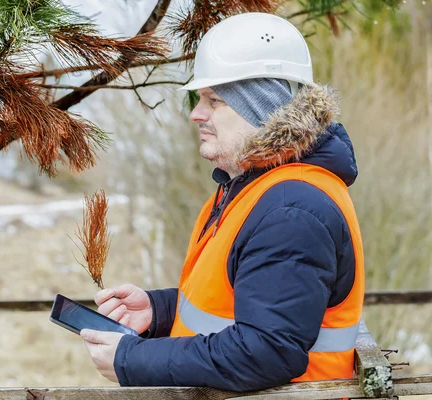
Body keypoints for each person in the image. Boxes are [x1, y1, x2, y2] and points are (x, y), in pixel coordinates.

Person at [80, 12, 365, 391]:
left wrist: (131, 359)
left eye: (214, 101)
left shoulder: (290, 210)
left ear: (261, 110)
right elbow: (241, 303)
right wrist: (159, 311)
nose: (196, 114)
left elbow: (267, 351)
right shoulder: (253, 190)